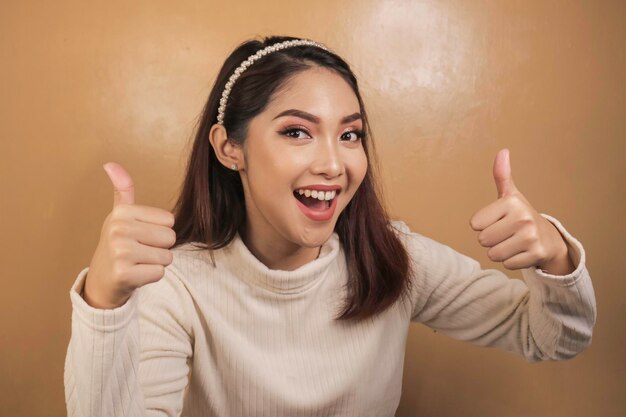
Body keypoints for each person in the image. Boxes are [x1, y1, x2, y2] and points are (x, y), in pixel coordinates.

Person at [63, 36, 597, 417]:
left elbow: (552, 339)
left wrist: (555, 258)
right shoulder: (175, 285)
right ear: (230, 148)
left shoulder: (394, 260)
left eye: (349, 135)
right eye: (297, 132)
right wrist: (105, 306)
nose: (334, 165)